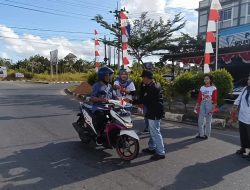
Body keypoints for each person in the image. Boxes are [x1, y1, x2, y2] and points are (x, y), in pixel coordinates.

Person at [132, 70, 165, 160]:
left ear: (147, 78)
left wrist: (131, 101)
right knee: (152, 131)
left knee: (155, 132)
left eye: (143, 77)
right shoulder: (152, 84)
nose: (142, 79)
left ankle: (161, 152)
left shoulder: (153, 88)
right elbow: (142, 94)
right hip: (154, 110)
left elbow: (144, 100)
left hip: (154, 111)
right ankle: (152, 148)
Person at [90, 66, 117, 145]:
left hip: (108, 107)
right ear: (103, 76)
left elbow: (115, 96)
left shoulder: (110, 86)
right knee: (102, 118)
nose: (110, 77)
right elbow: (92, 98)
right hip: (98, 107)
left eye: (110, 75)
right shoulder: (96, 85)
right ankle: (99, 135)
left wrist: (122, 99)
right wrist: (101, 99)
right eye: (109, 75)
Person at [194, 74, 218, 140]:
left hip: (210, 104)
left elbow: (215, 99)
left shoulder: (213, 88)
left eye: (207, 79)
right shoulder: (202, 88)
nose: (205, 80)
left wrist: (213, 107)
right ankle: (201, 134)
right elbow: (199, 98)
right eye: (205, 79)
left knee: (208, 121)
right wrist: (196, 105)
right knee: (200, 120)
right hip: (202, 103)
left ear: (210, 80)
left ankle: (207, 135)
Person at [232, 74, 250, 160]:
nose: (248, 81)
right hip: (242, 116)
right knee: (243, 134)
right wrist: (234, 107)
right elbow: (239, 99)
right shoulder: (245, 89)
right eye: (248, 79)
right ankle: (243, 148)